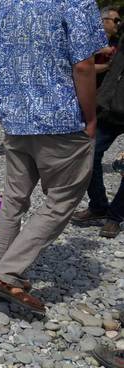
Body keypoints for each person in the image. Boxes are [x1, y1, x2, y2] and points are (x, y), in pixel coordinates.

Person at [0, 0, 106, 314]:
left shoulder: (10, 3)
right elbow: (83, 64)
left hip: (17, 118)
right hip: (60, 119)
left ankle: (1, 269)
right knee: (62, 200)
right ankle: (6, 272)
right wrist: (90, 117)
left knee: (14, 198)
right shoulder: (76, 2)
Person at [71, 36, 124, 239]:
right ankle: (99, 205)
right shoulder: (117, 43)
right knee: (89, 156)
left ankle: (115, 216)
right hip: (109, 108)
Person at [95, 6, 120, 87]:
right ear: (104, 21)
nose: (118, 24)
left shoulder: (118, 42)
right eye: (116, 20)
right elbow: (86, 68)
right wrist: (109, 65)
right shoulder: (88, 38)